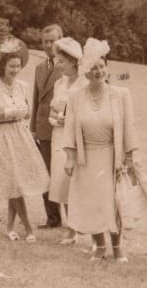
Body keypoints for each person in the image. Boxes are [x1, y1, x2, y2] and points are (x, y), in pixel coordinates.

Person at [63, 38, 139, 262]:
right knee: (92, 202)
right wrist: (69, 157)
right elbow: (69, 128)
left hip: (111, 155)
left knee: (113, 202)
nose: (98, 71)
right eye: (93, 68)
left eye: (101, 67)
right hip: (87, 157)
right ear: (85, 71)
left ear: (106, 69)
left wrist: (129, 156)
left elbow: (129, 126)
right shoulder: (76, 96)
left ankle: (117, 248)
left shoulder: (121, 94)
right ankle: (99, 246)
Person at [0, 38, 49, 242]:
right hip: (1, 137)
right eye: (11, 66)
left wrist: (22, 114)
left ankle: (9, 228)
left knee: (15, 183)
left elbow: (26, 113)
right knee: (15, 184)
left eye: (18, 66)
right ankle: (28, 229)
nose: (15, 70)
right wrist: (9, 112)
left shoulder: (22, 86)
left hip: (20, 136)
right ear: (2, 66)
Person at [46, 36, 88, 244]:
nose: (58, 65)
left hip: (78, 138)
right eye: (56, 60)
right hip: (59, 136)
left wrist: (70, 119)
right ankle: (70, 225)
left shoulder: (84, 83)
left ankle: (76, 227)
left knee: (75, 182)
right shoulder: (59, 83)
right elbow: (53, 111)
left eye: (61, 61)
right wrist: (54, 119)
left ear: (73, 61)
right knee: (62, 182)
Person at [30, 24, 64, 229]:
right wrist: (33, 126)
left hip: (61, 128)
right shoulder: (39, 68)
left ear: (61, 40)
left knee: (63, 174)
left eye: (53, 41)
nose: (49, 45)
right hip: (43, 129)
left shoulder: (68, 66)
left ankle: (72, 219)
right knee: (44, 174)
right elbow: (36, 99)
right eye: (45, 41)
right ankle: (53, 218)